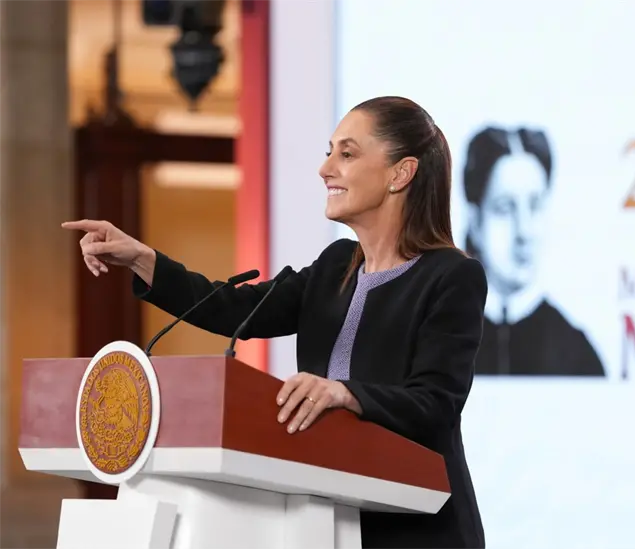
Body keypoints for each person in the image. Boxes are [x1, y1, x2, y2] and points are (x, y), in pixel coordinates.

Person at [63, 96, 487, 549]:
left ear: (400, 174)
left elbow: (436, 404)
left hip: (418, 531)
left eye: (346, 154)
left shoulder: (451, 276)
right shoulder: (335, 265)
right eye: (329, 152)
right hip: (327, 525)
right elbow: (231, 309)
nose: (325, 169)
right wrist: (144, 260)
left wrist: (345, 393)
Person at [462, 125, 605, 376]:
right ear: (475, 222)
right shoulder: (437, 340)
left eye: (535, 206)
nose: (524, 232)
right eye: (505, 208)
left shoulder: (576, 354)